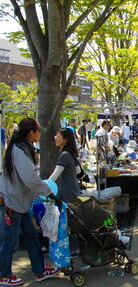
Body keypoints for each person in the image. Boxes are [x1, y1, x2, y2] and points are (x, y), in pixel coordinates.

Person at [0, 118, 60, 286]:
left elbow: (29, 176)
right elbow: (31, 180)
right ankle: (3, 274)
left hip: (19, 201)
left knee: (32, 236)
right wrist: (48, 192)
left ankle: (40, 270)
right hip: (11, 202)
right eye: (38, 131)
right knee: (10, 241)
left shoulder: (23, 147)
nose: (40, 134)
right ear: (30, 132)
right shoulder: (19, 150)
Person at [49, 128, 81, 203]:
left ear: (65, 139)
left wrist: (43, 187)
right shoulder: (70, 153)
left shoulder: (64, 155)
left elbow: (55, 175)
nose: (55, 138)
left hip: (67, 192)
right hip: (73, 189)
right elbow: (78, 171)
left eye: (58, 136)